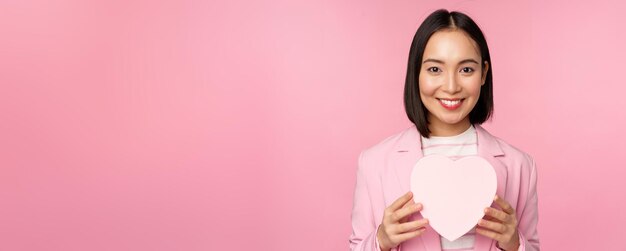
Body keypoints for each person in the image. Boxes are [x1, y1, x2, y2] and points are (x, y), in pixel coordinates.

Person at [349, 9, 540, 251]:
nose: (451, 86)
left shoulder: (520, 166)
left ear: (484, 73)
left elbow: (532, 246)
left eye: (466, 70)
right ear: (416, 73)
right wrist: (381, 240)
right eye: (435, 69)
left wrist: (515, 244)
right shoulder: (374, 163)